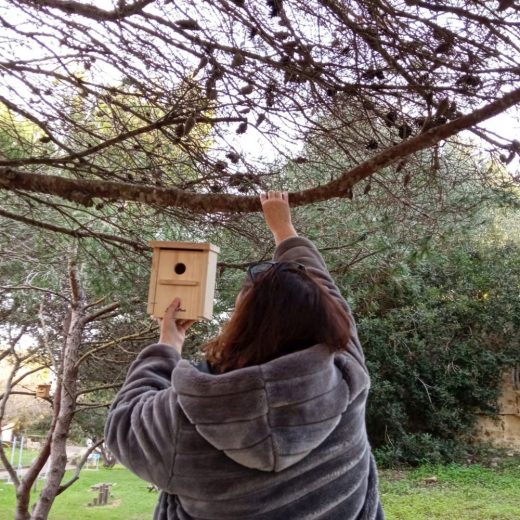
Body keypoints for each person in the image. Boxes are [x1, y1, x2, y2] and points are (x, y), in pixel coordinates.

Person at [104, 191, 384, 519]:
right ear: (327, 322)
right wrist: (284, 230)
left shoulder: (181, 418)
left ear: (241, 325)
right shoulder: (347, 376)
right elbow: (329, 294)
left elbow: (123, 425)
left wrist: (168, 344)